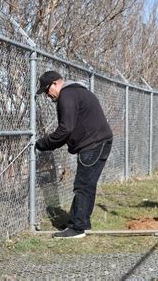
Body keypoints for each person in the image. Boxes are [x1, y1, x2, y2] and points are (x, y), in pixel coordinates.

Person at [35, 71, 113, 238]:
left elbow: (65, 129)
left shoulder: (67, 95)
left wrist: (44, 144)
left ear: (55, 84)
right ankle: (81, 222)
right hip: (100, 141)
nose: (48, 95)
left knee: (83, 185)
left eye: (47, 90)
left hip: (93, 144)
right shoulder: (78, 91)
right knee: (88, 184)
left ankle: (77, 228)